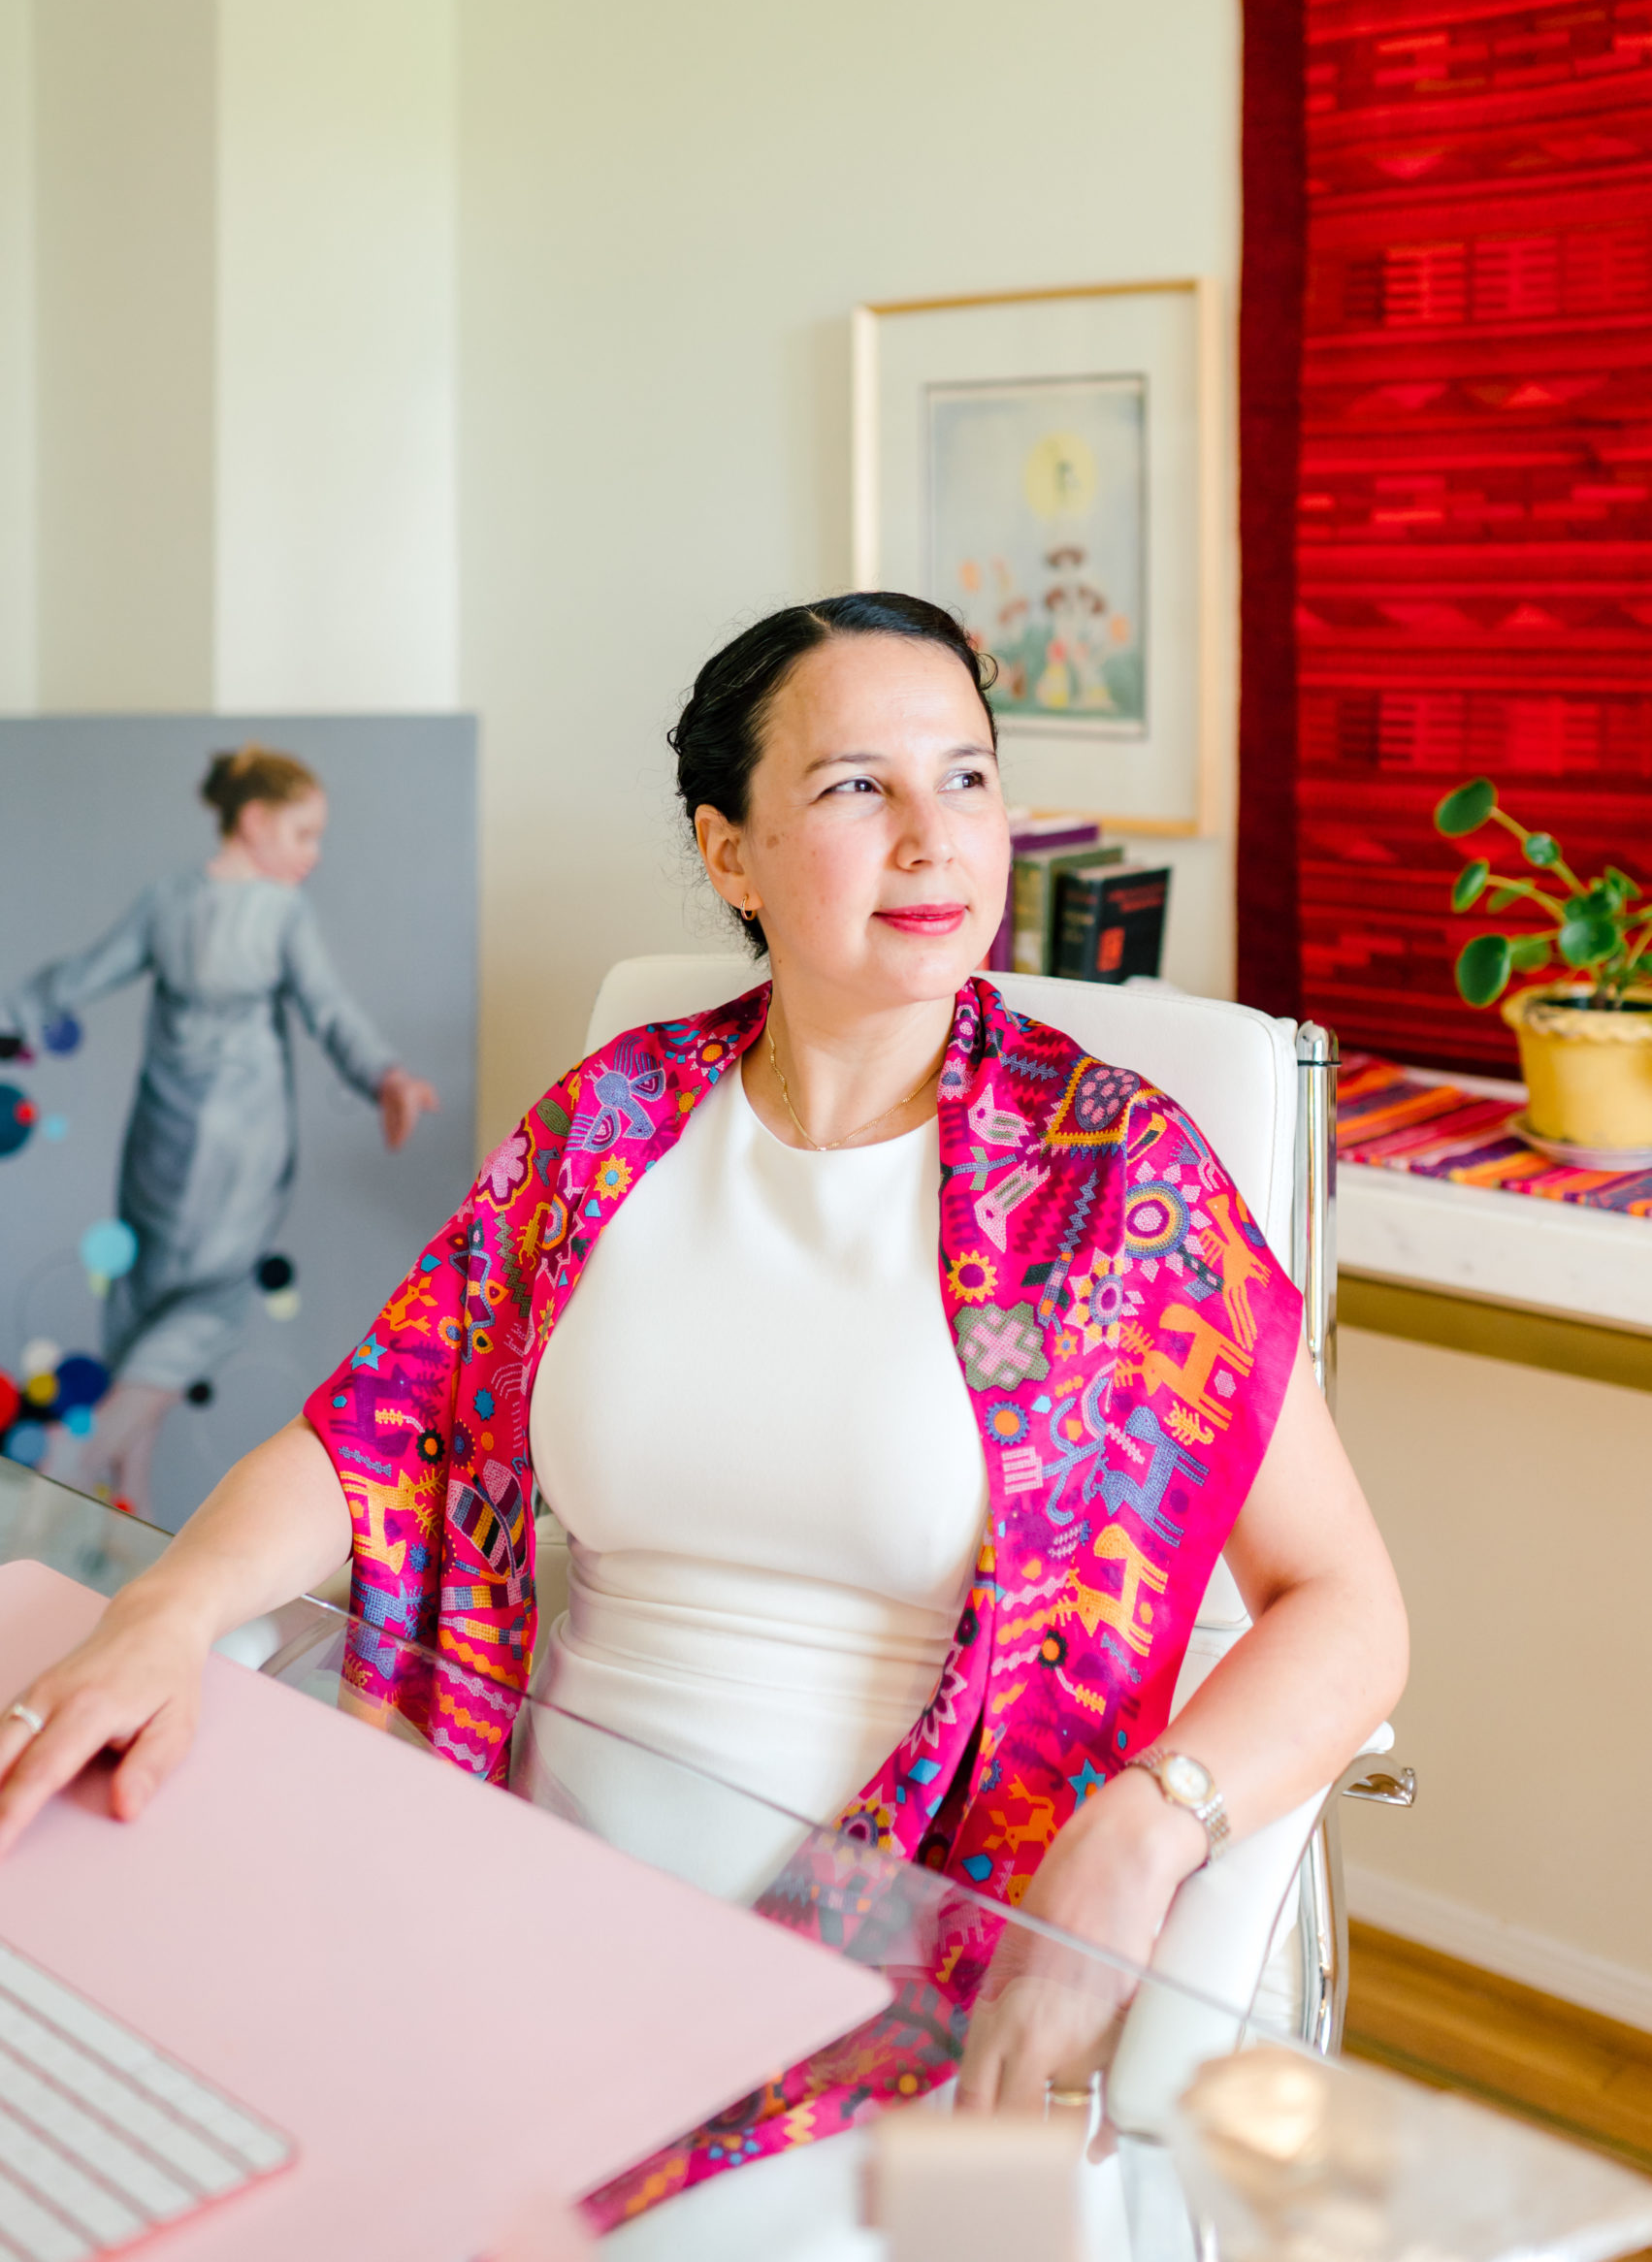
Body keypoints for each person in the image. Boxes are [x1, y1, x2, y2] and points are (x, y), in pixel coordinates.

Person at [0, 599, 1406, 2210]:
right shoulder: (613, 1122)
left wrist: (1154, 1821)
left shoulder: (1114, 1179)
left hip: (905, 1993)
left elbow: (1347, 1609)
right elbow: (375, 1432)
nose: (933, 840)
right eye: (856, 789)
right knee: (152, 2139)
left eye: (964, 777)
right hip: (525, 1917)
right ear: (728, 854)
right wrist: (169, 1608)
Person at [0, 745, 438, 1514]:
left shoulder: (167, 901)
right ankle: (75, 1465)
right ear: (255, 820)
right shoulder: (278, 914)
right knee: (210, 1302)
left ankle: (118, 1512)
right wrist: (386, 1078)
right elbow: (329, 1011)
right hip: (241, 1148)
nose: (313, 855)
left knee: (142, 1306)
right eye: (303, 834)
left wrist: (10, 1018)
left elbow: (82, 974)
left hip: (159, 1144)